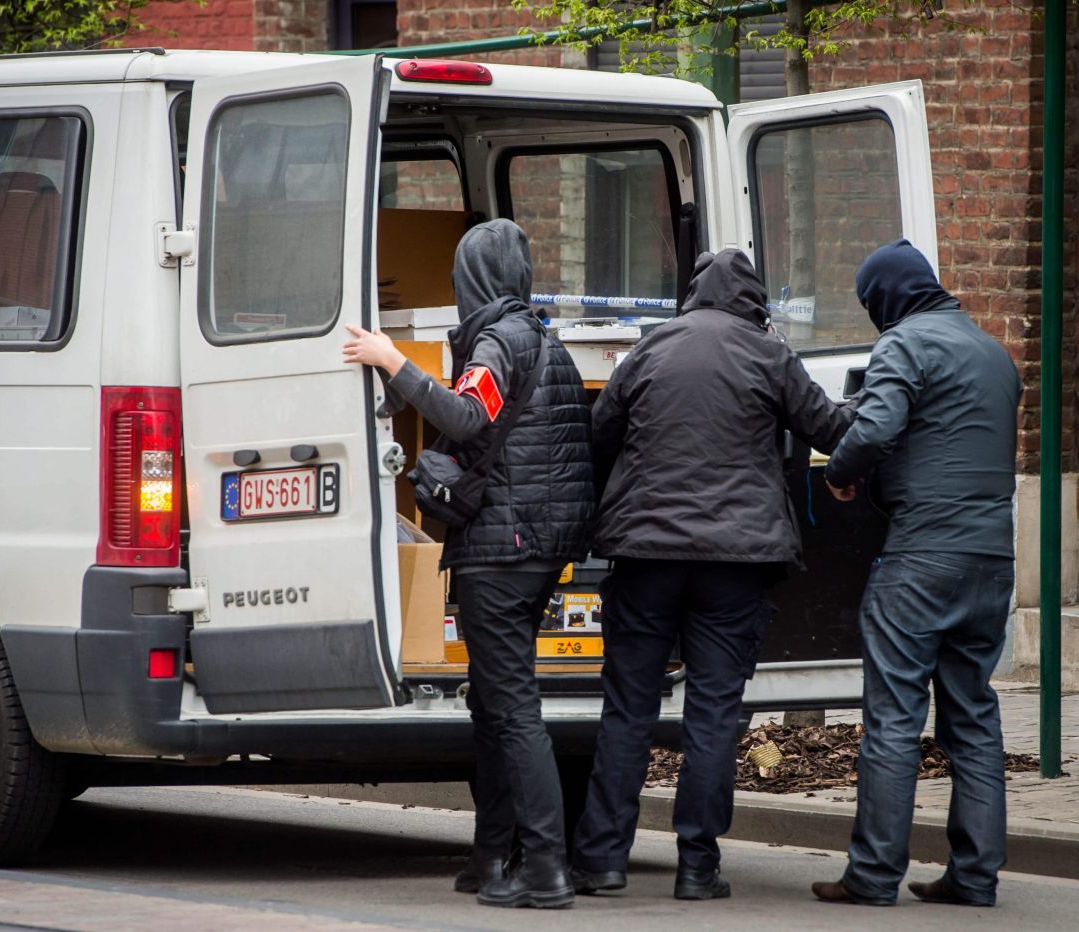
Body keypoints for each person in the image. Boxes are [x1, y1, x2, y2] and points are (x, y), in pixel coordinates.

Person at [569, 249, 852, 901]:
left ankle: (603, 859)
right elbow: (829, 428)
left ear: (694, 294)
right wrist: (883, 407)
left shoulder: (651, 347)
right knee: (714, 713)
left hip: (645, 557)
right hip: (734, 564)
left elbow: (598, 436)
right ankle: (697, 866)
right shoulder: (769, 354)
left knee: (628, 707)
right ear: (754, 302)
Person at [343, 218, 595, 909]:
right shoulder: (543, 339)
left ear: (472, 280)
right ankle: (489, 857)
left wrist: (391, 361)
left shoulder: (497, 341)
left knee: (511, 709)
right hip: (538, 549)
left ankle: (544, 868)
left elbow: (464, 417)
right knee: (492, 702)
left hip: (501, 553)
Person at [812, 240, 1021, 908]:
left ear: (886, 297)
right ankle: (975, 877)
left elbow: (876, 427)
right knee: (974, 716)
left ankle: (873, 875)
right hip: (992, 559)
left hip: (922, 556)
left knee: (895, 716)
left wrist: (841, 472)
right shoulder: (994, 353)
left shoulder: (905, 343)